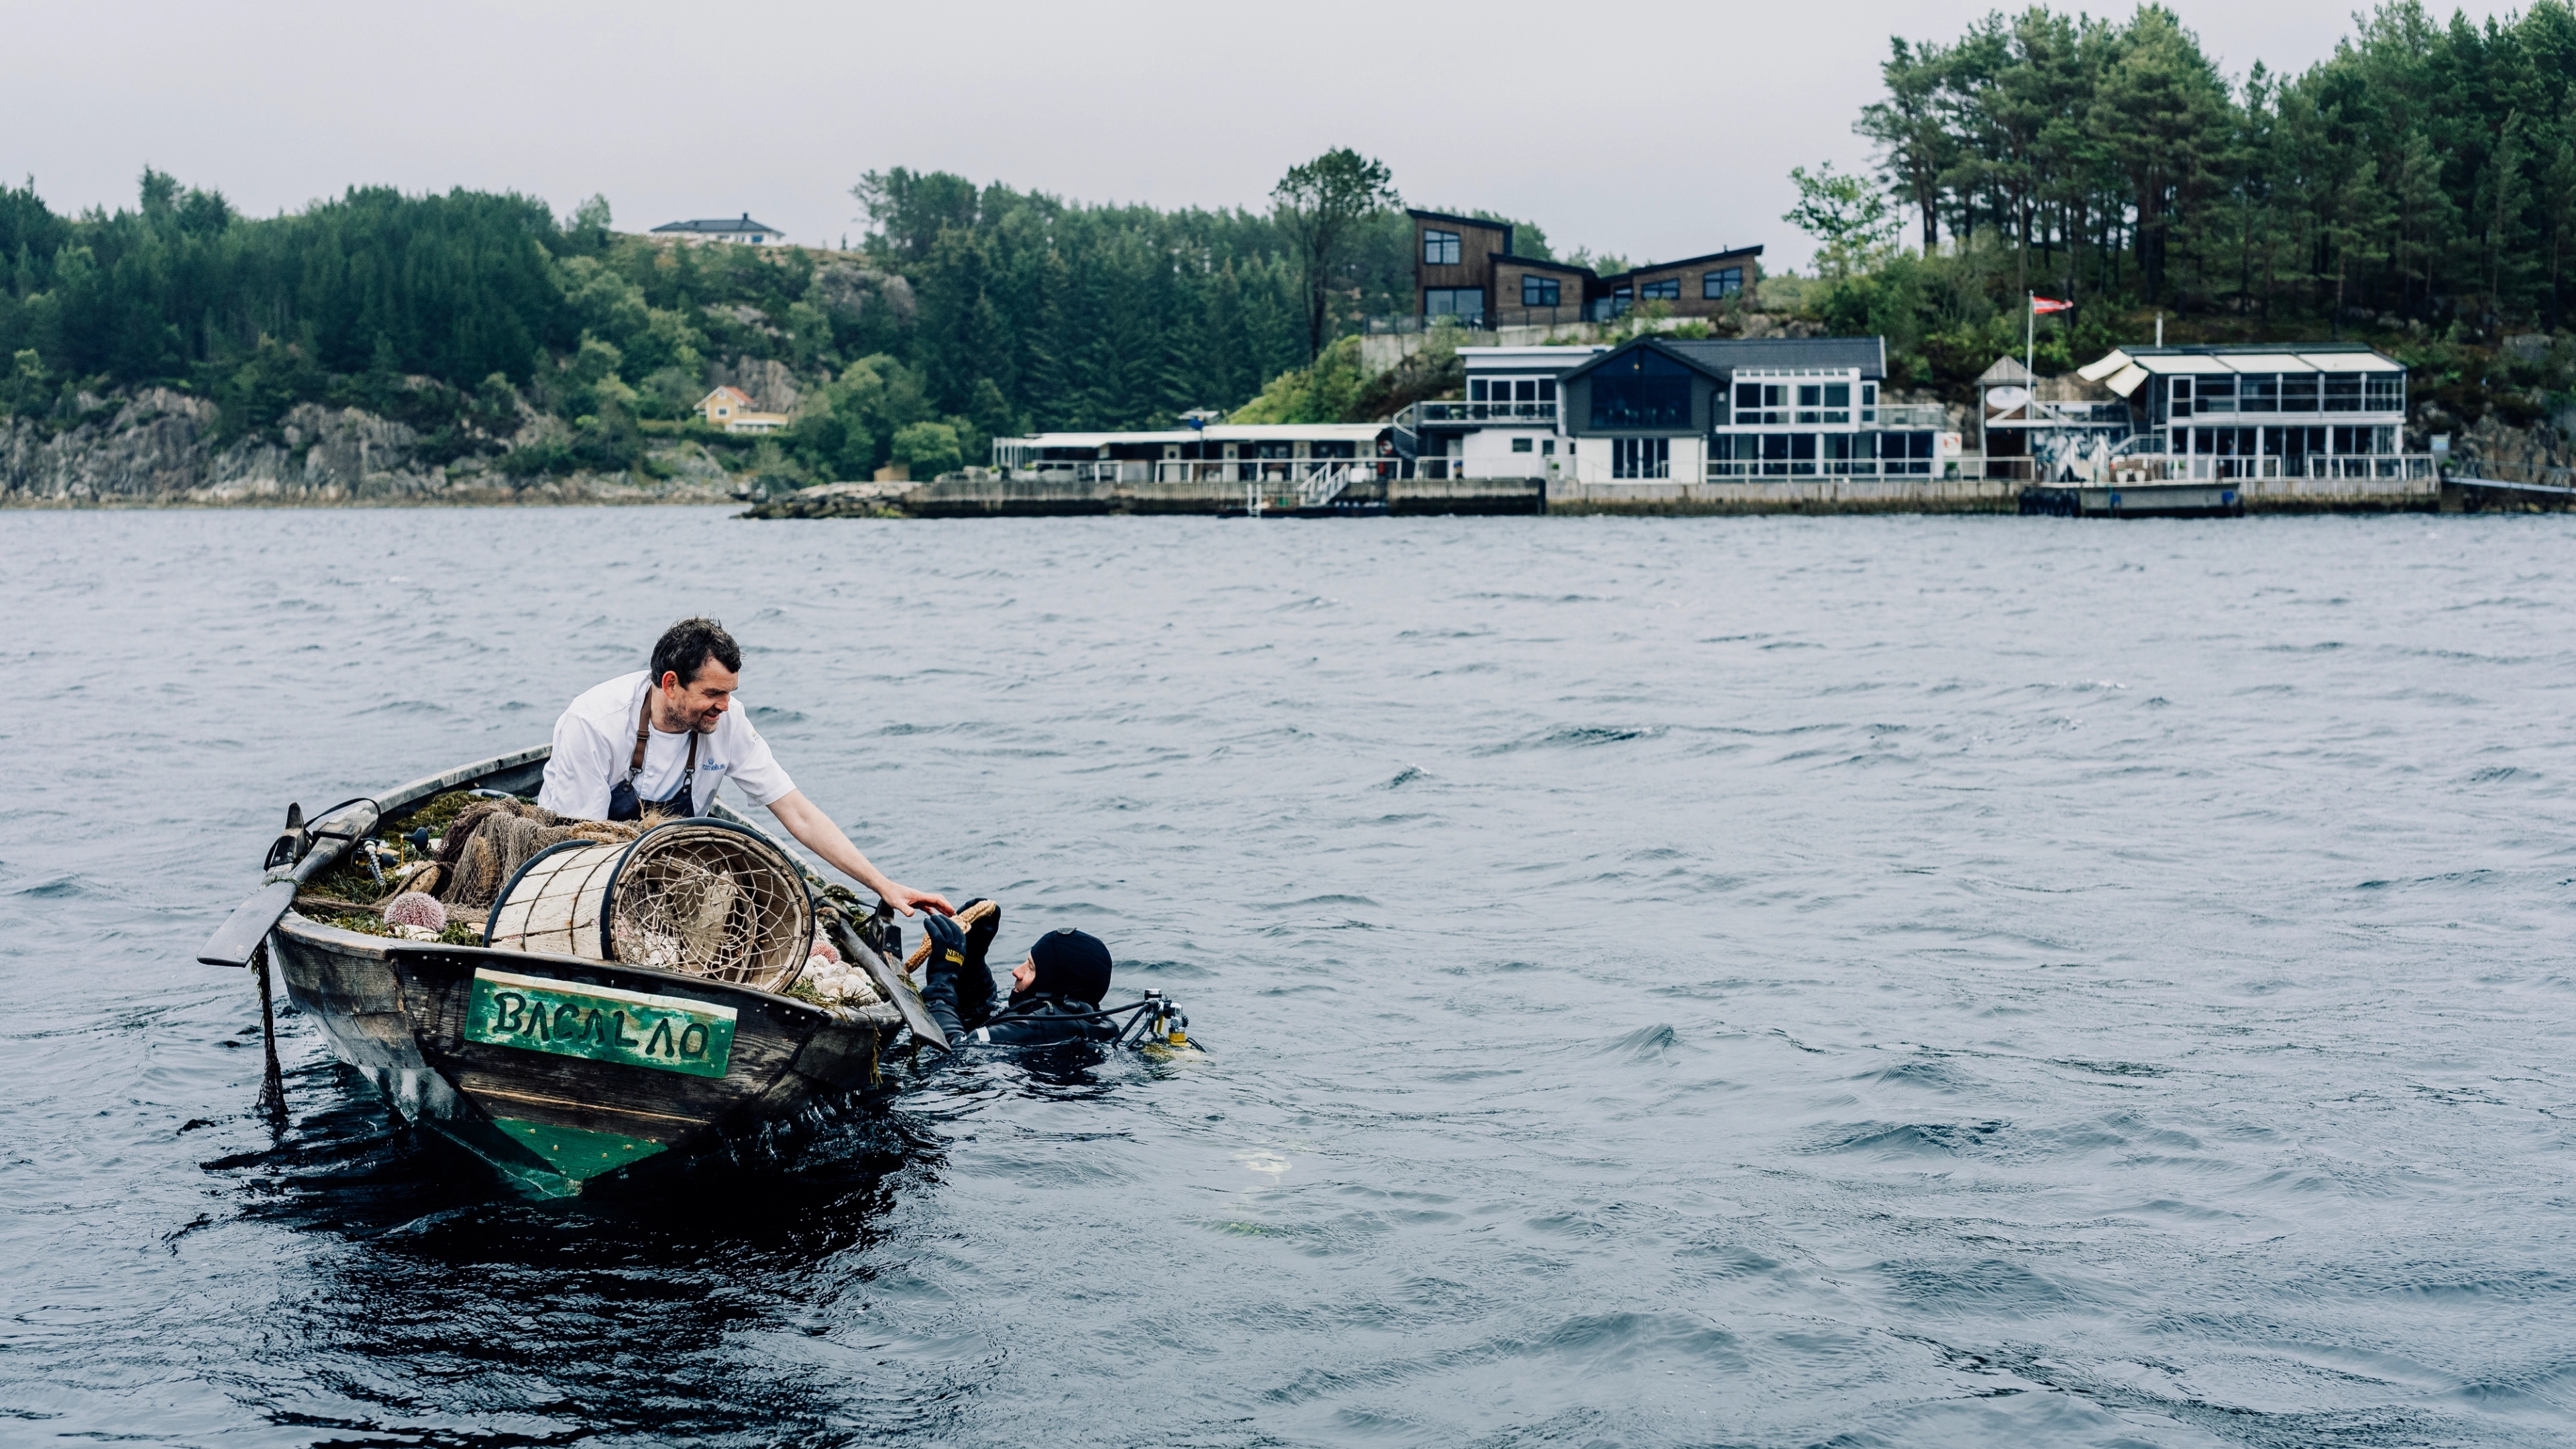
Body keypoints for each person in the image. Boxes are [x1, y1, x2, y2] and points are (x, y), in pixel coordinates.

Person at [537, 617, 951, 917]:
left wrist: (883, 885)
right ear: (669, 684)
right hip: (578, 861)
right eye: (713, 693)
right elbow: (582, 843)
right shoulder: (593, 723)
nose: (725, 706)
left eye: (731, 693)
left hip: (668, 862)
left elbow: (799, 814)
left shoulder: (726, 721)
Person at [918, 908, 1122, 1048]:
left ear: (1053, 985)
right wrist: (973, 960)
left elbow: (954, 1049)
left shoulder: (1041, 1027)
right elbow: (991, 1015)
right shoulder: (1084, 1019)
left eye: (1031, 968)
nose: (1017, 971)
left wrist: (940, 984)